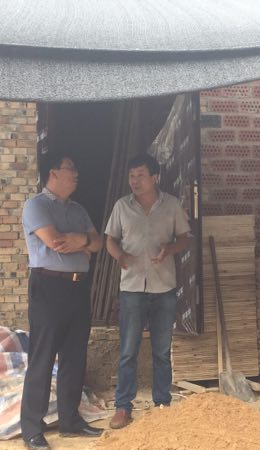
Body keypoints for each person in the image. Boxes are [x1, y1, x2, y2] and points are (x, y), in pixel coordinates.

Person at [20, 151, 104, 450]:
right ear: (53, 173)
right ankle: (32, 428)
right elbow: (54, 241)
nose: (76, 173)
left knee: (75, 355)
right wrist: (83, 242)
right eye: (70, 168)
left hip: (78, 288)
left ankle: (70, 420)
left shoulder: (79, 210)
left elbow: (98, 242)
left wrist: (81, 241)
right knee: (42, 357)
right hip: (48, 287)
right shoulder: (36, 205)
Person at [104, 153, 191, 429]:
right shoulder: (122, 206)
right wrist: (120, 256)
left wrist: (170, 249)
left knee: (161, 351)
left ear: (155, 177)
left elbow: (184, 239)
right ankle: (123, 407)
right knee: (128, 351)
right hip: (131, 289)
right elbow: (110, 240)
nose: (135, 181)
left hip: (163, 287)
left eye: (140, 175)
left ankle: (162, 404)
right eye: (132, 176)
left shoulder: (171, 205)